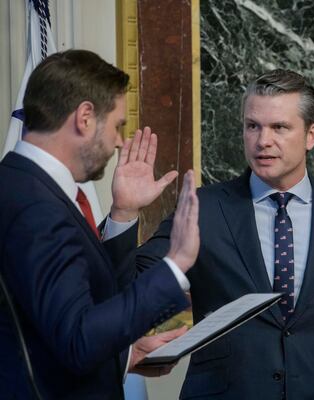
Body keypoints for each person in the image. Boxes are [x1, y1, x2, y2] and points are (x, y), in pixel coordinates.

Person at [133, 69, 314, 399]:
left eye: (279, 127)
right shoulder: (203, 207)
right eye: (253, 126)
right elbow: (136, 281)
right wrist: (124, 214)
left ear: (312, 135)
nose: (263, 141)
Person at [0, 49, 199, 399]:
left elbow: (50, 329)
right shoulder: (38, 208)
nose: (120, 141)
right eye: (118, 125)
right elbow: (78, 340)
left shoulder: (16, 183)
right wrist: (175, 265)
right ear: (86, 117)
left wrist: (123, 213)